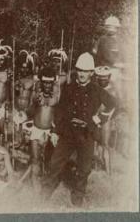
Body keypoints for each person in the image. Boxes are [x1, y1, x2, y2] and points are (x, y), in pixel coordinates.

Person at [41, 52, 116, 206]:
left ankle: (77, 199)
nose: (82, 74)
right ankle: (43, 195)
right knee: (54, 164)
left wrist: (97, 120)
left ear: (91, 73)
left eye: (86, 71)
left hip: (87, 134)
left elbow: (113, 104)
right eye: (80, 70)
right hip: (68, 133)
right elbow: (60, 111)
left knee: (84, 168)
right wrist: (55, 132)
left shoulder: (97, 90)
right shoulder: (68, 88)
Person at [23, 67, 60, 189]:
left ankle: (47, 185)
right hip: (36, 130)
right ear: (41, 83)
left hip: (50, 132)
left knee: (50, 160)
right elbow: (29, 112)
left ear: (53, 82)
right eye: (45, 82)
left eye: (50, 82)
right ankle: (35, 188)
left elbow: (60, 114)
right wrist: (34, 102)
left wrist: (55, 131)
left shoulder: (57, 95)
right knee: (35, 159)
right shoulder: (36, 94)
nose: (47, 85)